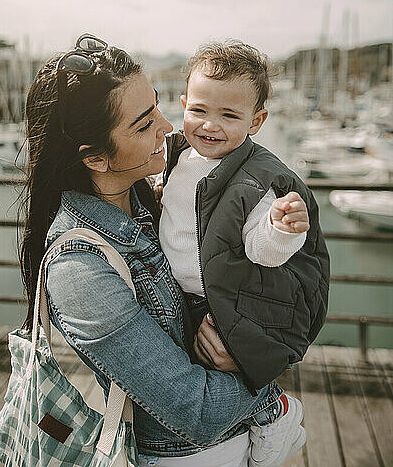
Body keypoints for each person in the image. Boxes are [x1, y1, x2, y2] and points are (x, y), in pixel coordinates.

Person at [19, 34, 292, 467]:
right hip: (189, 455)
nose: (168, 126)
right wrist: (257, 366)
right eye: (144, 123)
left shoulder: (156, 200)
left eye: (159, 107)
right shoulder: (80, 269)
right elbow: (196, 412)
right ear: (96, 158)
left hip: (235, 442)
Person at [159, 41, 330, 466]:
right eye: (199, 110)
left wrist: (280, 227)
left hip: (224, 301)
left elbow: (263, 251)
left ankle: (274, 416)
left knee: (222, 368)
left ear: (256, 122)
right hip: (185, 292)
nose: (210, 125)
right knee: (198, 373)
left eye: (229, 115)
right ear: (183, 103)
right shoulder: (177, 156)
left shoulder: (258, 181)